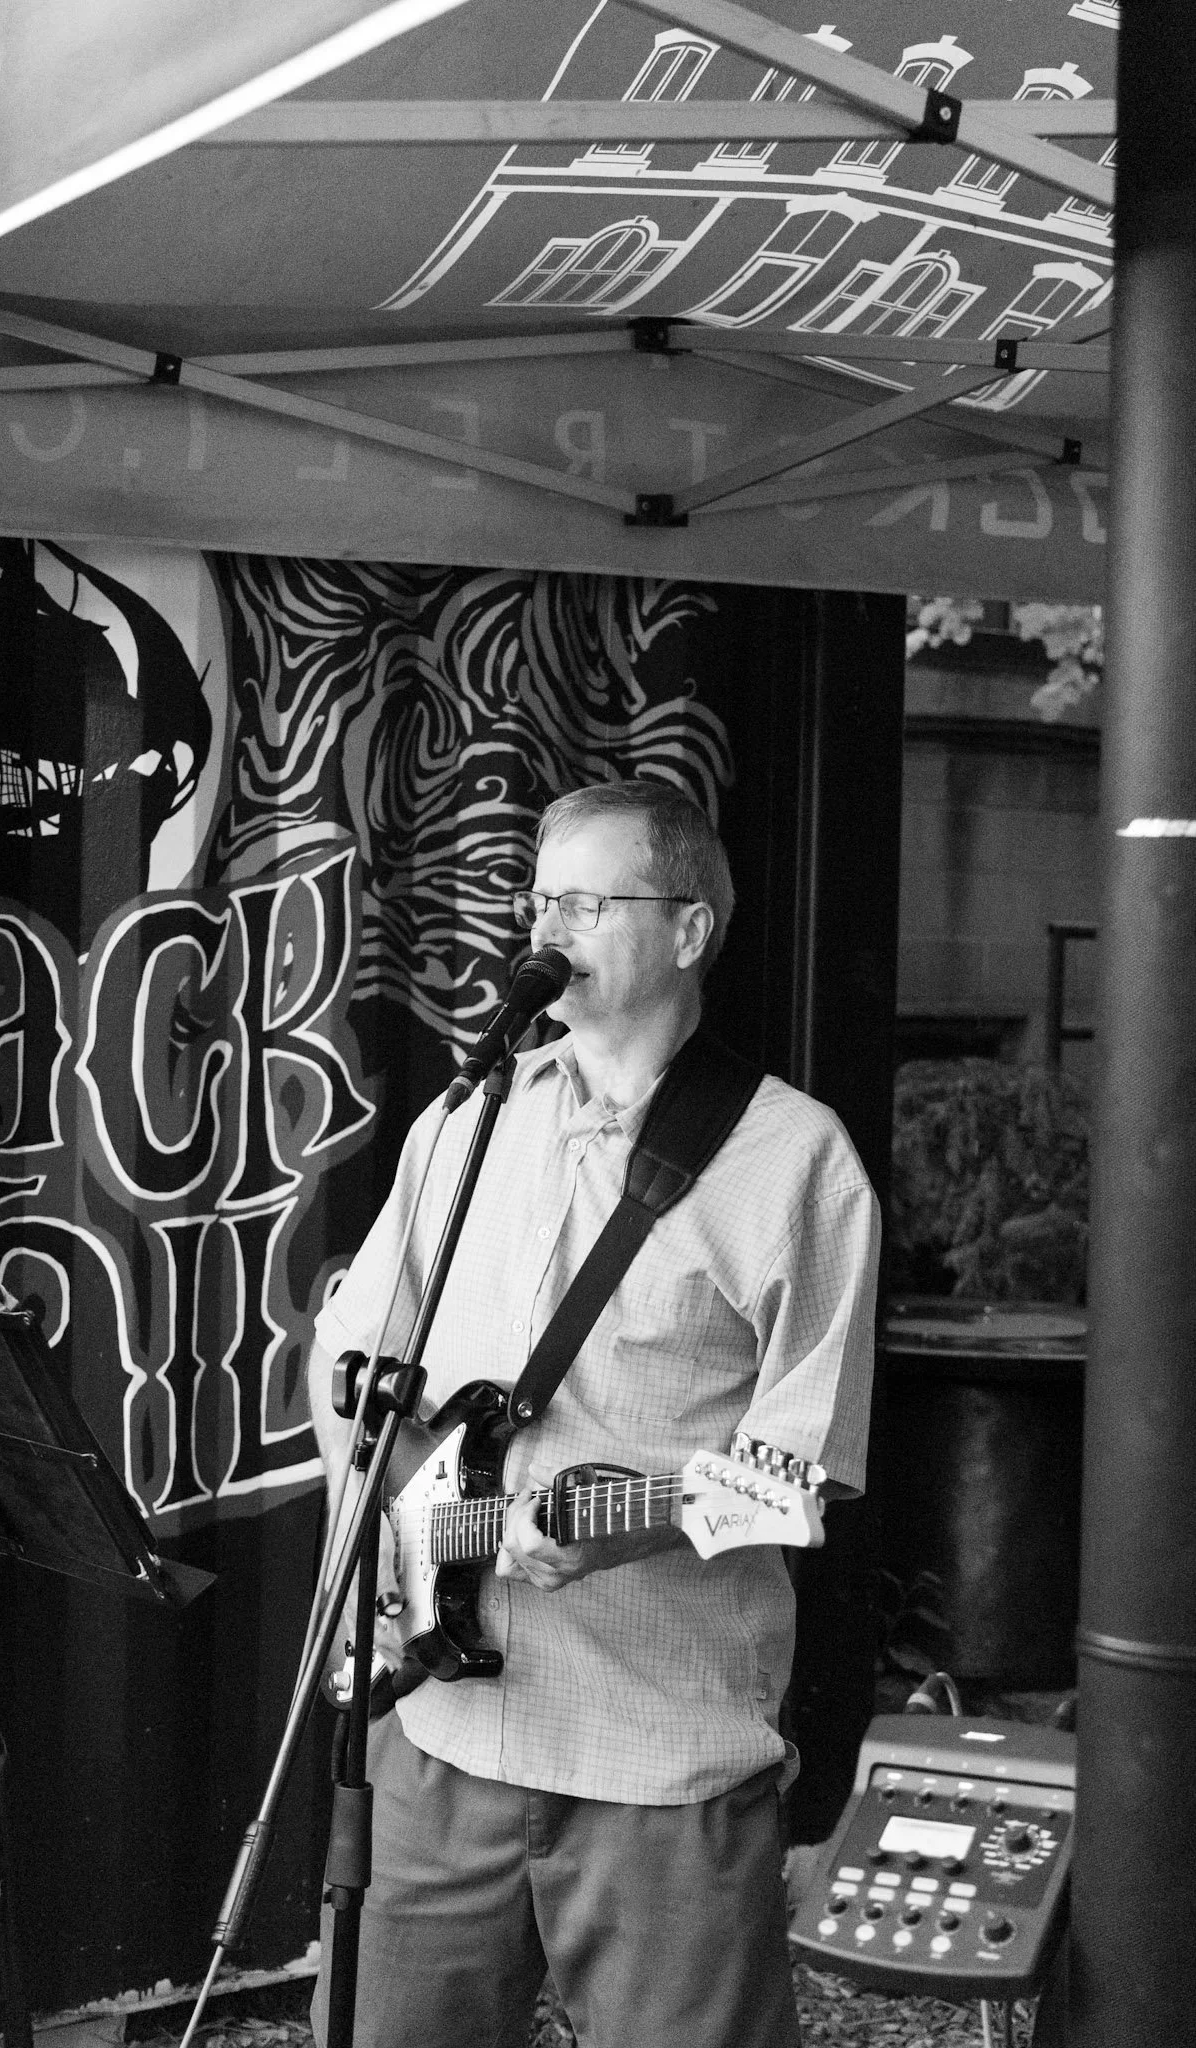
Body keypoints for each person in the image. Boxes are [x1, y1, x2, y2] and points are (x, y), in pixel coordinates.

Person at [307, 779, 880, 2048]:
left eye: (585, 899)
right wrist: (391, 1526)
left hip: (654, 1756)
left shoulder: (795, 1159)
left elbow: (802, 1465)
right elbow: (351, 1349)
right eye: (538, 895)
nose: (544, 927)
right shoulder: (465, 1119)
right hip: (437, 1726)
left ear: (688, 928)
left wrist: (624, 1527)